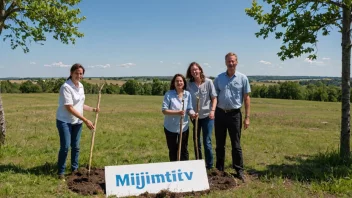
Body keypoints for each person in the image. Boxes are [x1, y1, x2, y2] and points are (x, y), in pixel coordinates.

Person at [56, 63, 99, 180]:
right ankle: (61, 172)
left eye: (81, 73)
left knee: (76, 146)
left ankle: (74, 170)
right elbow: (69, 107)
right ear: (71, 73)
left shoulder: (80, 86)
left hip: (77, 122)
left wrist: (93, 109)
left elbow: (80, 104)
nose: (79, 75)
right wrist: (85, 120)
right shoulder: (66, 87)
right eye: (76, 73)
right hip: (65, 121)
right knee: (65, 147)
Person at [214, 52, 251, 182]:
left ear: (236, 62)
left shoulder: (242, 78)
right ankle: (219, 169)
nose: (231, 63)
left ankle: (239, 170)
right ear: (225, 62)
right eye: (229, 61)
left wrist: (247, 117)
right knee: (220, 144)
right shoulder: (218, 78)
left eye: (233, 61)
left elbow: (246, 98)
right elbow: (214, 97)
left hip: (235, 115)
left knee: (236, 144)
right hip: (220, 114)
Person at [186, 62, 217, 169]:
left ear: (200, 70)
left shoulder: (208, 82)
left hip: (208, 117)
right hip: (195, 117)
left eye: (196, 69)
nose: (194, 71)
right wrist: (191, 113)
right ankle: (199, 163)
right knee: (196, 140)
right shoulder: (189, 85)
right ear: (190, 73)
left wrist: (212, 110)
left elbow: (214, 98)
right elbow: (186, 100)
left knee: (207, 141)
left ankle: (209, 166)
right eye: (192, 70)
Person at [162, 74, 197, 161]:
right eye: (177, 81)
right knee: (173, 150)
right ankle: (175, 170)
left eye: (181, 81)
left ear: (184, 83)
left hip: (184, 127)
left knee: (184, 150)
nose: (179, 82)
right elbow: (164, 110)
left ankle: (184, 168)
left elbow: (189, 108)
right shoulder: (169, 94)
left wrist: (192, 114)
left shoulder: (187, 94)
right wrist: (178, 112)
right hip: (170, 127)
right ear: (174, 83)